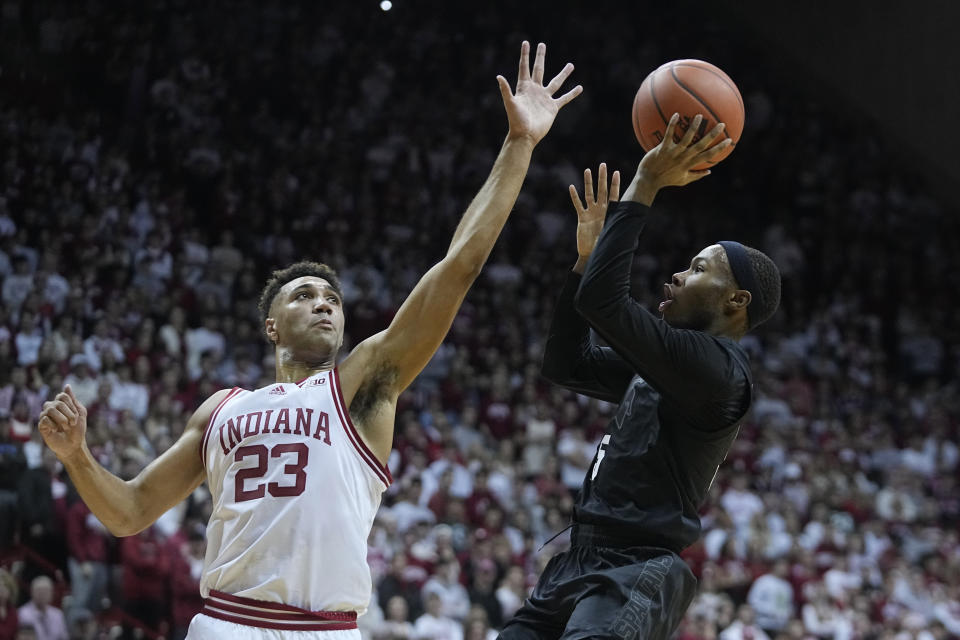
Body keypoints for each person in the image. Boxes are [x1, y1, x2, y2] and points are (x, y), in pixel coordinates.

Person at [37, 41, 581, 640]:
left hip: (329, 629)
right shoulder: (221, 410)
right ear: (271, 325)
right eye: (302, 295)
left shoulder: (362, 383)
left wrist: (519, 144)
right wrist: (77, 458)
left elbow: (458, 267)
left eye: (333, 299)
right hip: (229, 624)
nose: (323, 302)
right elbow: (131, 512)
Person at [499, 114, 782, 640]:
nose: (678, 273)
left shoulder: (718, 372)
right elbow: (567, 364)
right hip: (578, 559)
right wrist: (585, 263)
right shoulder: (668, 365)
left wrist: (646, 182)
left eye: (698, 269)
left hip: (636, 570)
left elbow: (604, 305)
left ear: (735, 301)